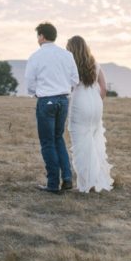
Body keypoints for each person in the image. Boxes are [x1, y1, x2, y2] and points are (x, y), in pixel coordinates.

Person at [24, 22, 79, 194]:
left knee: (47, 143)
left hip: (46, 100)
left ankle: (53, 183)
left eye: (37, 36)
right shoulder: (67, 55)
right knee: (58, 138)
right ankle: (68, 178)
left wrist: (36, 93)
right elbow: (74, 80)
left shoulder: (36, 56)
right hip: (63, 100)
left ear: (41, 36)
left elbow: (30, 81)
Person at [65, 36, 113, 192]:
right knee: (95, 141)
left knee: (81, 145)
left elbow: (68, 87)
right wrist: (96, 101)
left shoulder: (71, 65)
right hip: (96, 104)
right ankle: (99, 179)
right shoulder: (95, 64)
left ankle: (86, 184)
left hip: (80, 104)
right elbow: (104, 88)